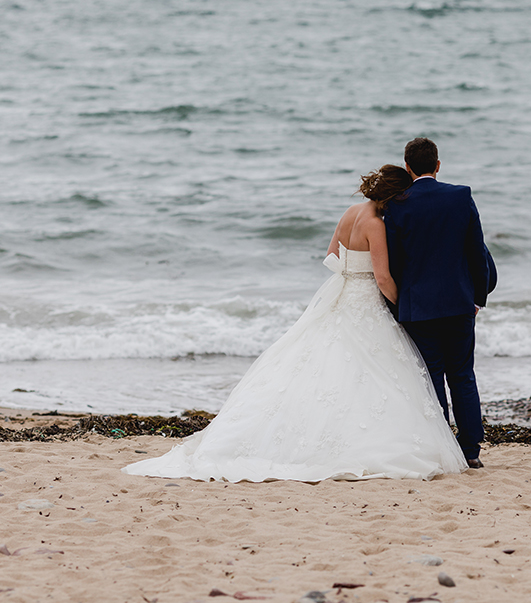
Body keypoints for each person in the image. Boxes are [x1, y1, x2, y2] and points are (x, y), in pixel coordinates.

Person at [122, 164, 468, 482]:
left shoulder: (350, 212)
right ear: (395, 195)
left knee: (325, 364)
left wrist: (350, 275)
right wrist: (400, 304)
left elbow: (331, 255)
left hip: (341, 293)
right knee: (370, 371)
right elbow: (381, 277)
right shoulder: (376, 224)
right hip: (365, 300)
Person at [384, 138, 496, 469]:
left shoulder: (397, 204)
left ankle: (441, 445)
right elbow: (477, 251)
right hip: (460, 303)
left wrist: (399, 306)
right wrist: (478, 297)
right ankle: (471, 450)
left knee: (431, 374)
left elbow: (394, 263)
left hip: (418, 307)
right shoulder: (461, 196)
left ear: (407, 167)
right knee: (462, 373)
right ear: (437, 165)